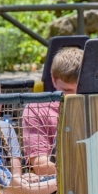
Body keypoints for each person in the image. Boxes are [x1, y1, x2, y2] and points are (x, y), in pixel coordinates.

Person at [0, 74, 57, 194]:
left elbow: (14, 179)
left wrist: (24, 180)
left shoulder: (6, 128)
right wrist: (64, 180)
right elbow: (17, 191)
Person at [23, 47, 82, 176]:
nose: (74, 96)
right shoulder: (36, 110)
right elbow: (41, 166)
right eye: (66, 90)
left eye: (80, 90)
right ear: (54, 80)